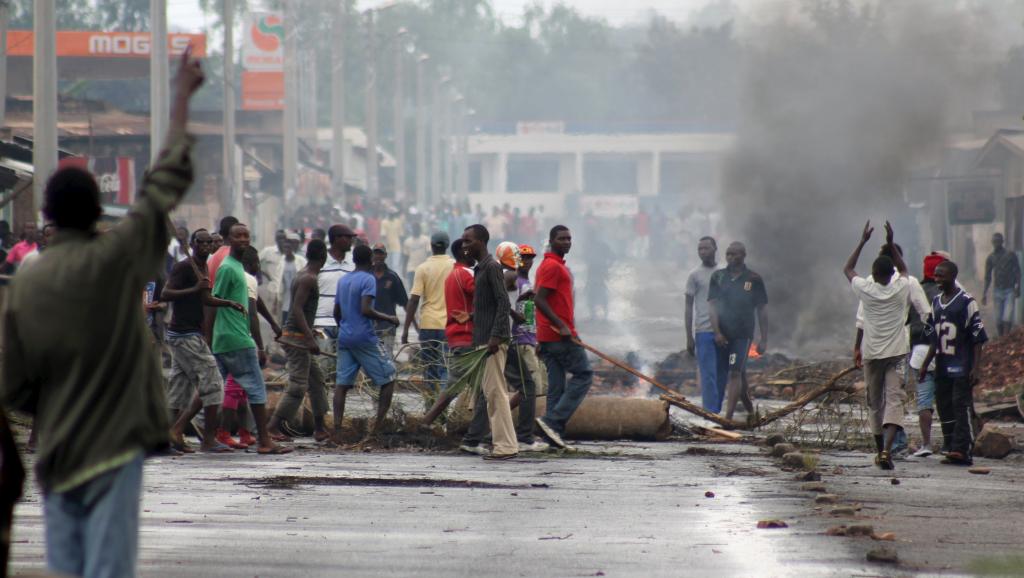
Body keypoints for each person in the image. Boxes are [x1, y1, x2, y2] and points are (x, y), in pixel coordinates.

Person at [0, 47, 204, 578]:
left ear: (46, 215)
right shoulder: (115, 260)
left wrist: (50, 405)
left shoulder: (26, 281)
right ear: (99, 210)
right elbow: (163, 187)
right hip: (116, 447)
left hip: (59, 452)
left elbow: (14, 382)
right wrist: (181, 97)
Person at [161, 228, 246, 453]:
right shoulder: (183, 266)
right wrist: (193, 289)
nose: (207, 246)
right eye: (202, 242)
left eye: (210, 242)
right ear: (193, 243)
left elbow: (206, 298)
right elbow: (166, 294)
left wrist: (228, 303)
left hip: (187, 334)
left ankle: (169, 437)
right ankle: (207, 439)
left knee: (179, 390)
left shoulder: (204, 267)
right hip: (185, 334)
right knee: (214, 384)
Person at [211, 223, 292, 455]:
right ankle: (264, 441)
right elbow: (213, 300)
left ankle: (226, 433)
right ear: (229, 239)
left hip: (227, 338)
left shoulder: (237, 267)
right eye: (238, 236)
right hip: (236, 337)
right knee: (256, 391)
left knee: (232, 389)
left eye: (246, 235)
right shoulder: (228, 268)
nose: (244, 240)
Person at [844, 221, 910, 470]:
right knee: (895, 400)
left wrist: (863, 241)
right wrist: (891, 243)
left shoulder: (866, 289)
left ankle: (879, 447)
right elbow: (905, 269)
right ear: (892, 274)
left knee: (875, 403)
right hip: (897, 354)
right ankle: (886, 452)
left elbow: (848, 268)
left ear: (872, 273)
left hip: (872, 355)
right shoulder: (901, 288)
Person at [919, 261, 988, 466]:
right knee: (944, 406)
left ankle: (963, 449)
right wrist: (925, 363)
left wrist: (975, 368)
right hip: (942, 364)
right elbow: (934, 338)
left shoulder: (967, 302)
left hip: (961, 365)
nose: (937, 280)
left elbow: (978, 337)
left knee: (961, 405)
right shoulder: (936, 302)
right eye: (936, 276)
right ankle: (950, 446)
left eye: (941, 276)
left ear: (952, 276)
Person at [331, 245, 400, 443]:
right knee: (389, 378)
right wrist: (389, 317)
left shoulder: (343, 281)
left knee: (341, 384)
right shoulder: (368, 279)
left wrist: (345, 327)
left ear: (353, 259)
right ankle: (376, 429)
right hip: (365, 338)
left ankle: (336, 430)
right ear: (370, 259)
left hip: (345, 337)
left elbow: (336, 312)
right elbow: (366, 309)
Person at [461, 224, 518, 460]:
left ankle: (505, 446)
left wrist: (495, 336)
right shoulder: (480, 269)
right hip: (483, 339)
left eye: (468, 241)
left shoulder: (492, 267)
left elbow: (503, 303)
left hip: (491, 341)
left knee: (496, 394)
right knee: (492, 394)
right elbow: (489, 306)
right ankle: (505, 444)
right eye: (463, 241)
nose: (464, 246)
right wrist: (473, 317)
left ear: (482, 242)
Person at [534, 225, 594, 450]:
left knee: (556, 386)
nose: (567, 242)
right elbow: (540, 300)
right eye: (562, 239)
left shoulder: (551, 265)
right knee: (584, 374)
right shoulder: (552, 267)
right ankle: (553, 421)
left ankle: (551, 435)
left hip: (550, 335)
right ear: (552, 241)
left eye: (569, 238)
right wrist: (561, 325)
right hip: (559, 335)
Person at [267, 239, 331, 443]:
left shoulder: (304, 275)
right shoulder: (308, 278)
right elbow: (296, 309)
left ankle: (320, 428)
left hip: (301, 336)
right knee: (298, 386)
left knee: (317, 381)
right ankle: (272, 427)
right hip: (297, 339)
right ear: (323, 256)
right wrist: (310, 338)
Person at [709, 242, 768, 421]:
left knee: (734, 372)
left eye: (734, 254)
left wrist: (763, 339)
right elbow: (712, 306)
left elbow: (762, 310)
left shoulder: (754, 279)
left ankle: (728, 418)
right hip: (723, 334)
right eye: (728, 254)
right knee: (739, 373)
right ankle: (751, 413)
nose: (730, 257)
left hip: (742, 335)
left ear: (743, 255)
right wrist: (717, 332)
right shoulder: (718, 277)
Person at [420, 239, 476, 430]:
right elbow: (485, 299)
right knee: (454, 384)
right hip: (467, 336)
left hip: (457, 335)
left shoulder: (454, 274)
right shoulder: (466, 274)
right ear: (465, 253)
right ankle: (427, 422)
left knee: (467, 385)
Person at [402, 232, 454, 392]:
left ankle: (430, 405)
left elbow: (414, 300)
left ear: (430, 246)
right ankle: (442, 409)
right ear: (447, 246)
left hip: (428, 325)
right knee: (445, 367)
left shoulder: (422, 268)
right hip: (449, 325)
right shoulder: (455, 266)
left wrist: (405, 330)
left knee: (430, 368)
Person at [908, 253, 945, 457]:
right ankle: (952, 443)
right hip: (944, 352)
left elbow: (908, 322)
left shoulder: (916, 290)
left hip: (920, 351)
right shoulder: (947, 295)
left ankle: (926, 444)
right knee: (947, 399)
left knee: (924, 400)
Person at [686, 236, 727, 413]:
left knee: (722, 374)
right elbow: (688, 307)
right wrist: (689, 336)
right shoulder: (694, 275)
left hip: (725, 330)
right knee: (708, 374)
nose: (703, 252)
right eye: (700, 249)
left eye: (706, 248)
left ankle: (716, 411)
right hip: (703, 331)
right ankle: (711, 413)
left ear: (715, 249)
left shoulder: (725, 272)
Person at [314, 224, 357, 344]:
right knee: (323, 361)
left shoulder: (353, 262)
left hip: (346, 324)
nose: (351, 241)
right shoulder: (320, 260)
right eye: (348, 238)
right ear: (337, 239)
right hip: (321, 323)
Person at [371, 243, 408, 356]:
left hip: (388, 326)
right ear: (372, 255)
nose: (378, 257)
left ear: (385, 255)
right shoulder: (366, 275)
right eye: (376, 253)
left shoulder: (392, 277)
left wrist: (412, 325)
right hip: (369, 327)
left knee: (387, 359)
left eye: (380, 254)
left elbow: (405, 302)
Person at [982, 232, 1020, 337]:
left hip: (1009, 289)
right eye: (994, 242)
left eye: (998, 241)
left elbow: (1017, 271)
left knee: (1007, 317)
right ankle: (1001, 338)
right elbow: (987, 277)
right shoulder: (990, 258)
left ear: (1002, 242)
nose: (996, 244)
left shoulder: (1010, 255)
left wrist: (1018, 287)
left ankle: (1006, 338)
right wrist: (984, 293)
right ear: (992, 243)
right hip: (997, 290)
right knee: (998, 319)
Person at [402, 222, 431, 288]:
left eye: (417, 228)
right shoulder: (407, 241)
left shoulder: (425, 240)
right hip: (411, 268)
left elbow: (429, 253)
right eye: (414, 228)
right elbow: (406, 256)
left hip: (423, 268)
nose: (415, 230)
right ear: (412, 230)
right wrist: (404, 268)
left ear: (420, 229)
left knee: (424, 289)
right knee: (412, 289)